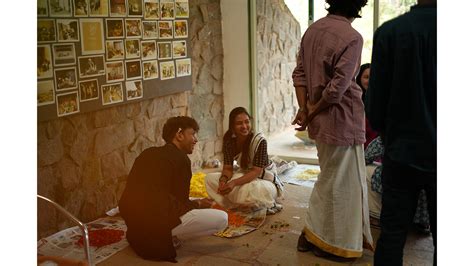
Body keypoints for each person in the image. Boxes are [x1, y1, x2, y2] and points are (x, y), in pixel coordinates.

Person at [291, 0, 374, 259]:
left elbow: (300, 75)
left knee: (331, 178)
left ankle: (314, 235)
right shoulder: (352, 37)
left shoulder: (312, 30)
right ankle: (327, 240)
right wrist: (311, 109)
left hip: (321, 122)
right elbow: (337, 90)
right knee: (340, 184)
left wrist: (305, 109)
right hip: (342, 120)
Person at [365, 0, 436, 265]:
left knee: (393, 234)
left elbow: (375, 104)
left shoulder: (390, 32)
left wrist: (389, 135)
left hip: (401, 152)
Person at [119, 116, 228, 262]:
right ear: (179, 135)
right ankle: (171, 236)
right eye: (193, 134)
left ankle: (171, 233)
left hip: (135, 229)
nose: (195, 140)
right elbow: (179, 206)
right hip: (155, 229)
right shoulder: (181, 159)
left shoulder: (148, 152)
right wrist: (198, 204)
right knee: (222, 219)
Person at [205, 107, 284, 214]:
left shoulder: (259, 141)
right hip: (244, 175)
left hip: (263, 180)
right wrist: (223, 181)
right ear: (232, 127)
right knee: (209, 179)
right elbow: (228, 168)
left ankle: (247, 204)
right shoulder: (229, 140)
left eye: (247, 122)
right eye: (239, 123)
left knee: (253, 188)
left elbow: (256, 172)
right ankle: (238, 205)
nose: (244, 126)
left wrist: (233, 183)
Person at [365, 136, 431, 233]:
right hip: (428, 184)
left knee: (365, 170)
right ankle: (422, 222)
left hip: (398, 183)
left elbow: (367, 156)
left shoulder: (393, 131)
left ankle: (377, 216)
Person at [356, 63, 378, 149]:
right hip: (359, 146)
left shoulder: (381, 100)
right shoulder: (355, 100)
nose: (370, 80)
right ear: (359, 78)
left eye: (373, 77)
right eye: (366, 77)